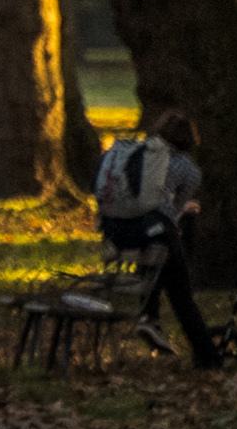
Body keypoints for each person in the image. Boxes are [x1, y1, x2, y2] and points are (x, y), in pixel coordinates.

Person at [94, 110, 222, 369]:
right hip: (155, 233)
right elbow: (174, 210)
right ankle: (208, 357)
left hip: (117, 232)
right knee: (181, 293)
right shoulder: (189, 170)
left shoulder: (133, 153)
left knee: (155, 259)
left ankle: (149, 317)